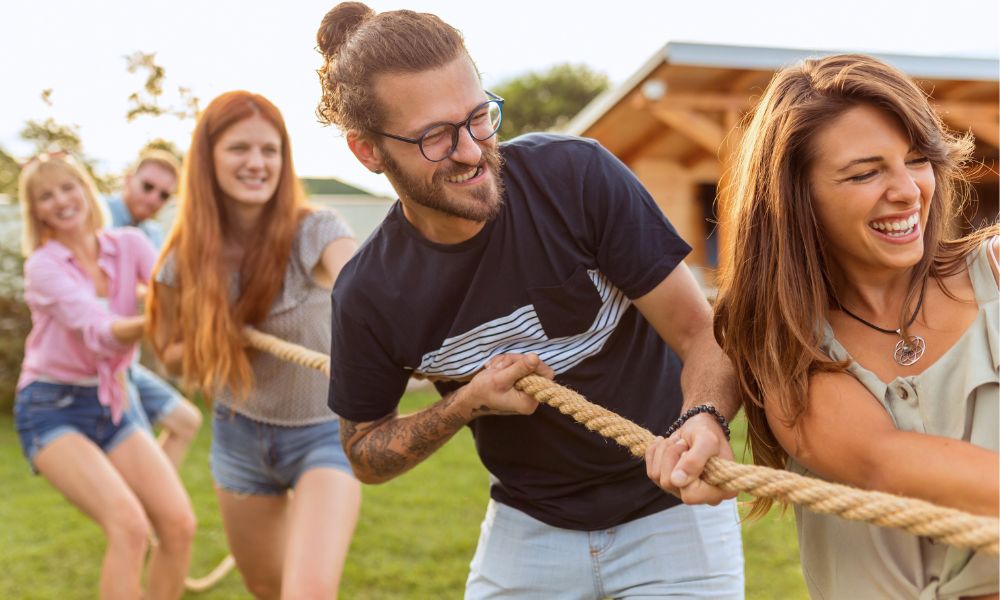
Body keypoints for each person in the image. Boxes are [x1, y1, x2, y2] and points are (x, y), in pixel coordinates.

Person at [316, 4, 744, 598]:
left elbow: (703, 334)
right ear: (368, 152)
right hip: (528, 521)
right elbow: (364, 452)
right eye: (436, 137)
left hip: (671, 503)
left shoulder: (576, 177)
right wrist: (465, 404)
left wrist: (705, 416)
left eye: (478, 118)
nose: (471, 151)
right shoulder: (369, 292)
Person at [660, 53, 998, 599]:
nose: (909, 191)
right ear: (798, 200)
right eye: (865, 172)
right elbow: (882, 461)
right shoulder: (791, 347)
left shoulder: (996, 278)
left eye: (917, 160)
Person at [146, 91, 361, 599]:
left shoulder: (315, 229)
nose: (258, 162)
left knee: (307, 592)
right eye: (240, 148)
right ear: (208, 158)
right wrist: (212, 339)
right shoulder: (182, 260)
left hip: (324, 435)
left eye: (270, 150)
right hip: (239, 437)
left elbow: (363, 284)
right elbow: (168, 355)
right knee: (266, 588)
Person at [14, 151, 195, 599]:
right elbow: (100, 332)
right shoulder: (43, 266)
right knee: (130, 527)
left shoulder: (130, 244)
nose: (60, 200)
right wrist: (158, 319)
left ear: (86, 190)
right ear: (35, 210)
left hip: (109, 399)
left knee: (178, 525)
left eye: (68, 187)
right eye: (45, 196)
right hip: (50, 406)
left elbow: (166, 292)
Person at [106, 149, 202, 469]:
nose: (153, 199)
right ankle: (147, 505)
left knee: (186, 421)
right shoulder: (96, 215)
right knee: (142, 450)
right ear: (128, 179)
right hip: (96, 365)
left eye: (163, 195)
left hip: (128, 359)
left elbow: (159, 290)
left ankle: (147, 506)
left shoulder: (153, 234)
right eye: (147, 186)